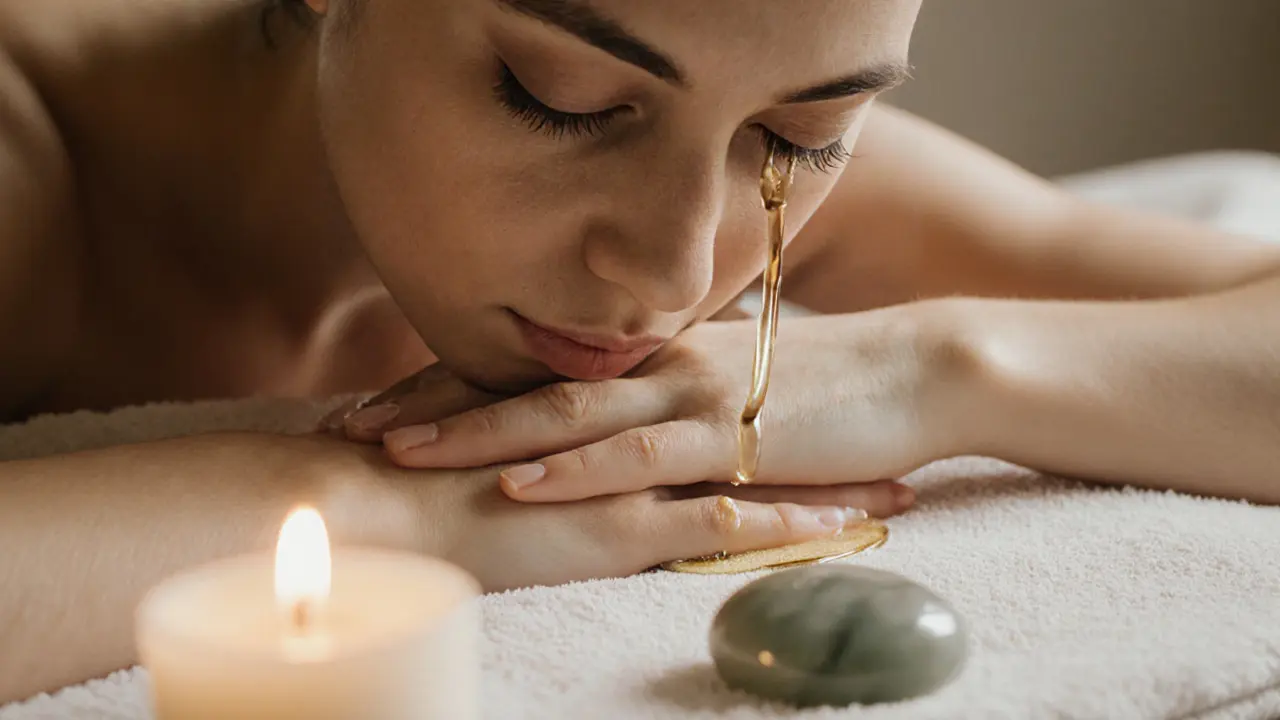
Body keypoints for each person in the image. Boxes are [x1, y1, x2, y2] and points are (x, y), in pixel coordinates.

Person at [2, 0, 1278, 704]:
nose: (678, 273)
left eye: (803, 134)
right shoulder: (32, 169)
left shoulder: (741, 182)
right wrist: (392, 503)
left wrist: (919, 370)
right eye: (560, 98)